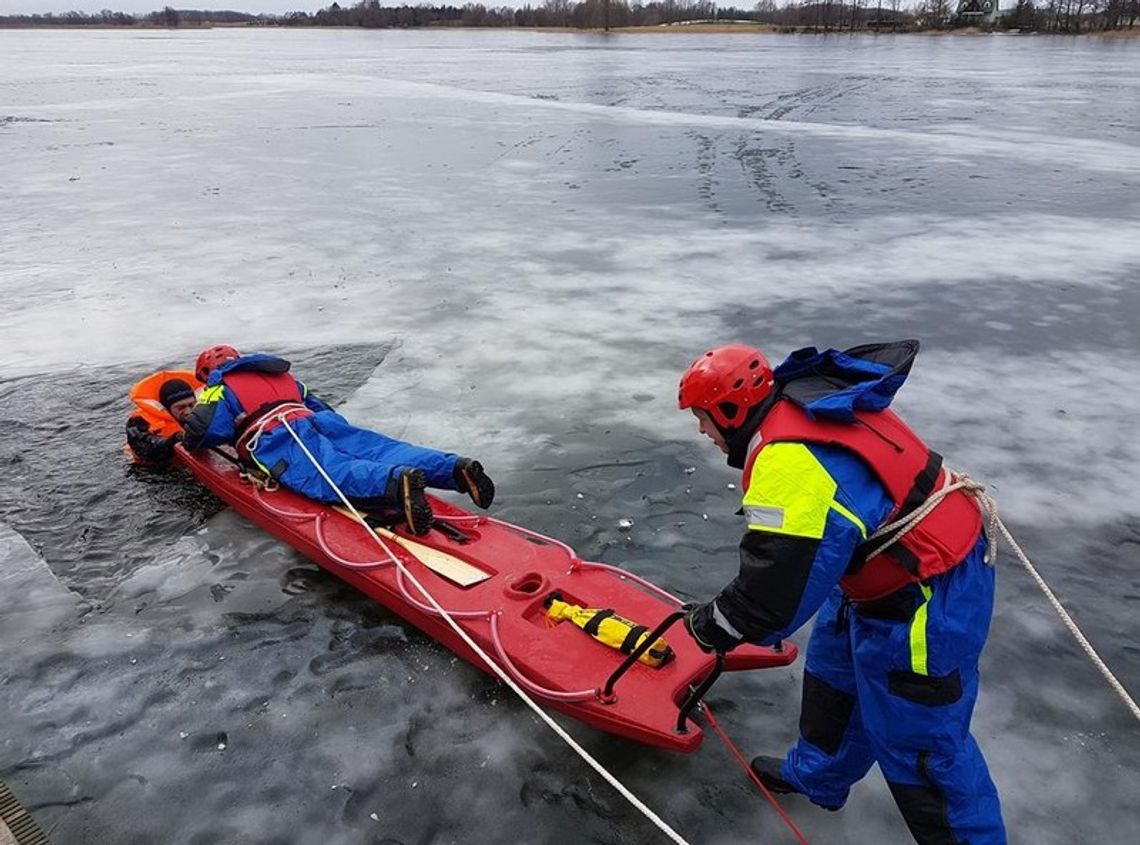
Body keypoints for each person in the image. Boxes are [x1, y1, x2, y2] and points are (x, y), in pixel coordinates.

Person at [676, 340, 1005, 845]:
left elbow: (772, 597)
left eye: (703, 418)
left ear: (730, 409)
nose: (703, 432)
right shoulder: (796, 405)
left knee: (923, 749)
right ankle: (819, 777)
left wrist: (716, 623)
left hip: (929, 595)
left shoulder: (789, 466)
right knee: (833, 681)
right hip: (871, 577)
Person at [181, 346, 494, 535]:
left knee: (328, 473)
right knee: (380, 448)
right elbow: (319, 406)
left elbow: (203, 433)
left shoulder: (218, 385)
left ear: (207, 373)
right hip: (315, 420)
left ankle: (395, 483)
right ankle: (453, 469)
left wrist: (187, 432)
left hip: (278, 435)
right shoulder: (281, 375)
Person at [125, 371, 200, 464]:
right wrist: (174, 441)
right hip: (151, 467)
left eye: (191, 405)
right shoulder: (138, 422)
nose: (188, 411)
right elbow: (145, 448)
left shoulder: (203, 411)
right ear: (166, 407)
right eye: (181, 407)